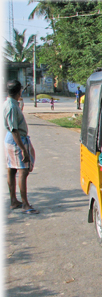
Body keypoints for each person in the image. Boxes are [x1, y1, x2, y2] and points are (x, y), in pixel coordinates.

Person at [3, 80, 39, 214]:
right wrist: (23, 149)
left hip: (11, 140)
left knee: (12, 170)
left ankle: (14, 200)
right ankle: (25, 203)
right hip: (16, 140)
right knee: (22, 171)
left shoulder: (10, 103)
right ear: (19, 91)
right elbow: (14, 130)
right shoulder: (11, 107)